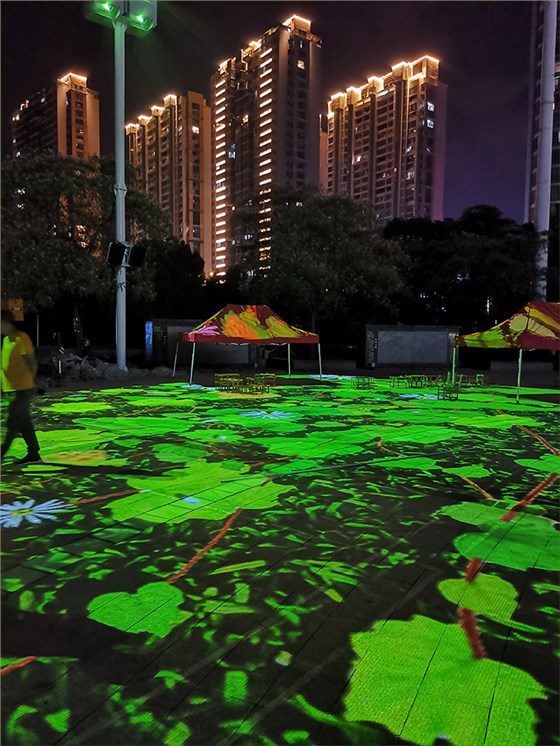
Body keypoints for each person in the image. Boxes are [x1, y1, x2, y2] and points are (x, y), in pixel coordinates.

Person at [1, 310, 41, 464]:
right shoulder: (6, 341)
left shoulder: (21, 338)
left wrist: (29, 383)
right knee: (24, 423)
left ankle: (2, 452)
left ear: (6, 323)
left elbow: (31, 362)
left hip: (22, 390)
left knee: (12, 424)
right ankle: (34, 453)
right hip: (11, 390)